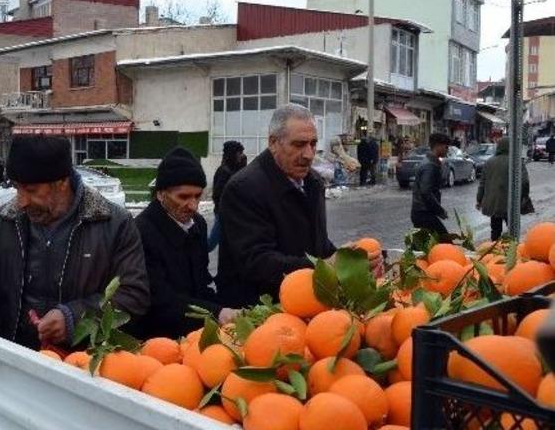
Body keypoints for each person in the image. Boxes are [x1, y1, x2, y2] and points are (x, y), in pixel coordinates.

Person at [0, 135, 149, 350]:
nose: (22, 201)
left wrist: (73, 317)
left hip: (81, 365)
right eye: (18, 188)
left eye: (32, 190)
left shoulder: (114, 224)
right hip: (14, 359)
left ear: (62, 183)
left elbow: (133, 295)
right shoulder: (5, 220)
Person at [216, 104, 382, 307]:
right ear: (273, 143)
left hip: (307, 303)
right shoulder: (244, 188)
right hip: (259, 311)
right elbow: (257, 262)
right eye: (299, 144)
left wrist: (348, 260)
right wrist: (326, 267)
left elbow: (317, 245)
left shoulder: (313, 182)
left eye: (313, 144)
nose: (309, 154)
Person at [135, 148, 237, 339]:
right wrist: (216, 312)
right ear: (160, 194)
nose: (193, 205)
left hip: (194, 333)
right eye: (183, 197)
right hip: (156, 338)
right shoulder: (141, 231)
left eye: (197, 196)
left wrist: (223, 308)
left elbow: (202, 281)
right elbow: (158, 298)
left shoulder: (198, 224)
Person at [476, 138, 531, 241]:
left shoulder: (489, 162)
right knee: (513, 231)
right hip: (511, 203)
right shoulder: (516, 161)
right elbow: (524, 182)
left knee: (495, 230)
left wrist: (479, 200)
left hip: (494, 203)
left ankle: (494, 252)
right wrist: (524, 196)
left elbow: (482, 184)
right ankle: (512, 251)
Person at [411, 133, 452, 239]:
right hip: (424, 214)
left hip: (421, 213)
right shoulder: (430, 165)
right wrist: (440, 210)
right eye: (446, 147)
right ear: (438, 146)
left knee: (424, 248)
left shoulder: (431, 162)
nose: (447, 150)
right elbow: (426, 192)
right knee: (446, 244)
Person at [208, 141, 246, 252]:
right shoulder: (224, 171)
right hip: (224, 213)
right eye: (239, 153)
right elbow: (217, 194)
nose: (241, 155)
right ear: (233, 154)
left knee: (229, 244)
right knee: (211, 243)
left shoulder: (232, 169)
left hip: (232, 213)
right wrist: (226, 208)